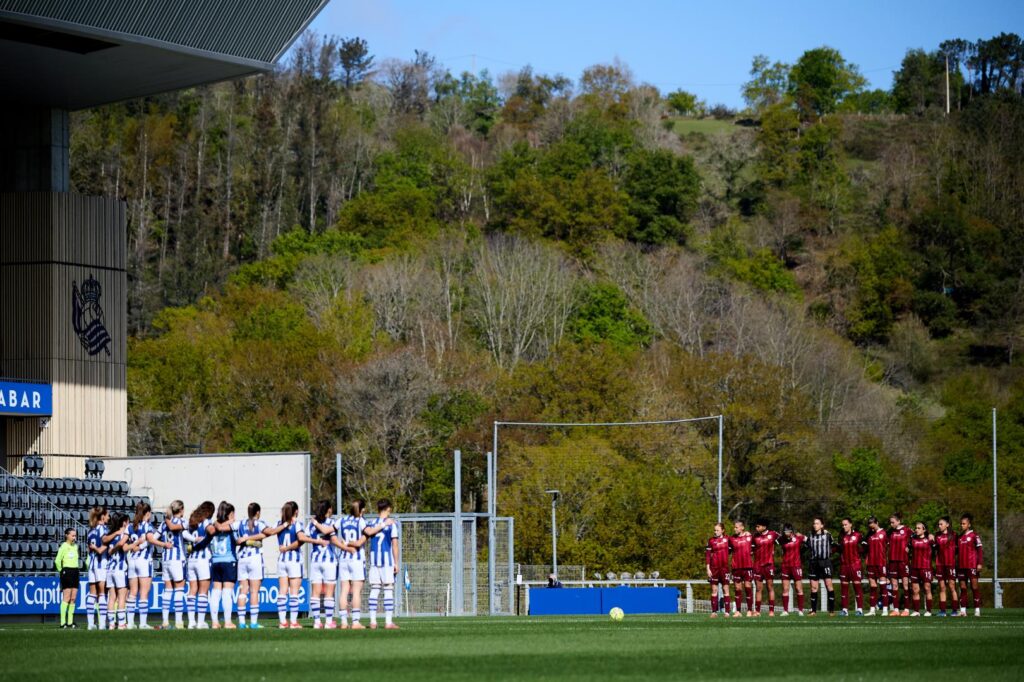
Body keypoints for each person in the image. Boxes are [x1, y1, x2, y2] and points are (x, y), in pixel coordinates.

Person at [125, 502, 171, 629]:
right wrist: (164, 544)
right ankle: (143, 623)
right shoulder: (147, 525)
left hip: (132, 561)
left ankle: (130, 623)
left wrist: (135, 547)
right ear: (148, 513)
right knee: (144, 593)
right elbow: (150, 539)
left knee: (133, 593)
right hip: (144, 561)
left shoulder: (131, 526)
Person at [266, 501, 312, 629]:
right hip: (294, 560)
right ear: (296, 511)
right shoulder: (297, 524)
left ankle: (282, 622)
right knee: (294, 593)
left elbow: (272, 531)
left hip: (282, 561)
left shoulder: (279, 524)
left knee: (282, 592)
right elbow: (301, 540)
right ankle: (293, 622)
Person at [364, 498, 400, 629]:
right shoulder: (391, 524)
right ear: (388, 509)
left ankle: (373, 621)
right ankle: (388, 622)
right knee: (388, 589)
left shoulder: (371, 523)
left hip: (374, 561)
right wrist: (396, 563)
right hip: (387, 561)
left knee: (374, 589)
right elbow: (395, 545)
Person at [307, 500, 342, 629]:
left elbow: (305, 537)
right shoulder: (330, 523)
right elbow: (332, 538)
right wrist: (344, 546)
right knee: (329, 592)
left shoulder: (311, 524)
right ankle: (328, 621)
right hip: (329, 561)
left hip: (315, 560)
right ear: (328, 509)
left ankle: (316, 622)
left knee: (315, 593)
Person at [336, 499, 369, 629]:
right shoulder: (361, 521)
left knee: (344, 591)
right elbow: (365, 537)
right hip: (356, 558)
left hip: (343, 558)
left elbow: (330, 532)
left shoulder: (341, 520)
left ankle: (344, 622)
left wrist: (343, 543)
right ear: (361, 510)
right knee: (356, 592)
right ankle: (355, 622)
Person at [235, 503, 268, 629]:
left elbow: (233, 534)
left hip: (242, 559)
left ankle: (242, 623)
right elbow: (266, 533)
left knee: (243, 590)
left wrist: (243, 539)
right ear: (258, 512)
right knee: (254, 591)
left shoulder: (240, 523)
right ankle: (253, 623)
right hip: (254, 559)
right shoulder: (260, 523)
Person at [208, 501, 239, 629]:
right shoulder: (232, 526)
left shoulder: (212, 526)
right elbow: (237, 540)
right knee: (227, 592)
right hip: (228, 561)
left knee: (215, 592)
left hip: (215, 561)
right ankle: (227, 622)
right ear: (230, 514)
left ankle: (214, 622)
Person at [184, 500, 215, 629]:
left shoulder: (192, 522)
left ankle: (191, 622)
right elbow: (212, 530)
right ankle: (201, 622)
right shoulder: (206, 521)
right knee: (203, 591)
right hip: (203, 559)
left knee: (192, 591)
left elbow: (184, 533)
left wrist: (194, 540)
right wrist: (207, 539)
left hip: (191, 559)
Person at [158, 500, 187, 629]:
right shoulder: (182, 521)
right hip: (177, 560)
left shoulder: (163, 523)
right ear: (181, 510)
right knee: (179, 590)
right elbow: (175, 528)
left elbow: (152, 537)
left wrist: (163, 544)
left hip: (165, 560)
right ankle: (179, 622)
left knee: (168, 590)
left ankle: (165, 621)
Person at [86, 506, 110, 630]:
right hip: (101, 564)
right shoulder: (103, 529)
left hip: (91, 565)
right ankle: (102, 624)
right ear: (102, 516)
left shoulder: (91, 530)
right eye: (107, 515)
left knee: (92, 594)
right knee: (102, 594)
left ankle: (90, 624)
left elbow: (88, 549)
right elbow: (101, 549)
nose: (109, 517)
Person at [105, 513, 130, 629]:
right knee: (121, 597)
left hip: (110, 569)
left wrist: (112, 551)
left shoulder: (111, 535)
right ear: (124, 522)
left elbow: (109, 551)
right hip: (120, 569)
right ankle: (121, 623)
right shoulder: (124, 534)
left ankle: (110, 624)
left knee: (111, 597)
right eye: (128, 521)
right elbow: (124, 547)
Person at [806, 517, 836, 616]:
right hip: (814, 563)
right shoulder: (810, 536)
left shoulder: (827, 535)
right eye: (814, 523)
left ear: (822, 525)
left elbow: (834, 546)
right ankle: (813, 610)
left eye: (817, 523)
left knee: (829, 585)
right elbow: (806, 547)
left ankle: (831, 610)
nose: (815, 525)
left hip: (825, 562)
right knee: (814, 588)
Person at [956, 513, 983, 617]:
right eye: (961, 523)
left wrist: (979, 563)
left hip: (972, 565)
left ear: (969, 525)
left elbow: (980, 550)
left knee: (974, 587)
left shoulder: (974, 536)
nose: (962, 525)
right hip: (961, 566)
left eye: (964, 523)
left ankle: (977, 610)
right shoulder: (960, 537)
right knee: (962, 588)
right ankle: (963, 610)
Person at [838, 518, 865, 616]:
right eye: (843, 525)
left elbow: (864, 548)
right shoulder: (841, 536)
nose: (844, 526)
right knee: (844, 587)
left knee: (857, 586)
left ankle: (860, 609)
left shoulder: (858, 535)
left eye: (845, 524)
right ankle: (845, 610)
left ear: (850, 525)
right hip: (844, 565)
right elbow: (839, 550)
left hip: (855, 565)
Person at [887, 513, 912, 617]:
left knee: (905, 585)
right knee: (894, 586)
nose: (891, 524)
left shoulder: (907, 530)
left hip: (903, 561)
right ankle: (896, 609)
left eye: (893, 522)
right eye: (890, 522)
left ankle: (906, 609)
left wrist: (909, 547)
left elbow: (916, 537)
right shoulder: (890, 532)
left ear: (898, 521)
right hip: (893, 561)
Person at [752, 521, 780, 616]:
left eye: (758, 526)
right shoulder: (754, 536)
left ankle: (771, 611)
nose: (756, 528)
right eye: (756, 526)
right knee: (758, 588)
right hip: (757, 566)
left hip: (769, 565)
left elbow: (785, 538)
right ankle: (757, 611)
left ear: (764, 526)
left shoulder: (773, 534)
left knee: (770, 587)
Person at [727, 520, 754, 617]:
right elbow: (728, 551)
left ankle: (750, 610)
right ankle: (738, 611)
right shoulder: (731, 539)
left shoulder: (749, 537)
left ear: (742, 528)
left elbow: (756, 548)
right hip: (736, 567)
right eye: (734, 527)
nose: (734, 529)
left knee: (748, 587)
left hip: (747, 567)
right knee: (737, 589)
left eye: (736, 527)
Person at [934, 516, 959, 617]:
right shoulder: (937, 536)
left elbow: (958, 550)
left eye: (941, 524)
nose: (939, 526)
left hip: (950, 564)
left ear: (947, 525)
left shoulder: (954, 535)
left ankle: (954, 611)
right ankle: (943, 611)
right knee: (942, 587)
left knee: (952, 587)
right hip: (940, 564)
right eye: (939, 524)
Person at [55, 528, 80, 629]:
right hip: (67, 572)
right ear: (67, 536)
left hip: (75, 572)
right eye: (72, 535)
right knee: (66, 597)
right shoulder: (63, 546)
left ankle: (70, 622)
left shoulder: (75, 546)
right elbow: (57, 561)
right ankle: (62, 622)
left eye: (75, 535)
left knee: (73, 598)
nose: (74, 537)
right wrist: (62, 571)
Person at [908, 521, 935, 617]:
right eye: (916, 528)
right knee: (915, 590)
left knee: (927, 589)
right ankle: (916, 611)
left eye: (919, 528)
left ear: (924, 530)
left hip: (926, 567)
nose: (916, 529)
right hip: (914, 568)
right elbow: (907, 549)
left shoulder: (929, 539)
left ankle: (928, 611)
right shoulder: (912, 540)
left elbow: (937, 549)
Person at [778, 524, 806, 616]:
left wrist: (801, 552)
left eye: (788, 532)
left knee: (798, 588)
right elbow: (773, 541)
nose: (786, 534)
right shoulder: (781, 539)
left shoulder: (798, 537)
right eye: (785, 532)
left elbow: (809, 540)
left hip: (796, 566)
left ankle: (800, 610)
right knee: (785, 589)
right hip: (785, 567)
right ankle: (785, 611)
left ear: (791, 531)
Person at [705, 522, 731, 618]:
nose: (715, 532)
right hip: (714, 568)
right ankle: (714, 612)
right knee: (714, 589)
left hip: (724, 568)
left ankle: (727, 612)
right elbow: (707, 555)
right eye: (714, 530)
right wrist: (708, 569)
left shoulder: (728, 539)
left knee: (725, 589)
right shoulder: (711, 540)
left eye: (717, 530)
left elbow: (734, 548)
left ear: (723, 530)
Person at [864, 516, 888, 616]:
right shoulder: (869, 535)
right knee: (873, 586)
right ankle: (872, 610)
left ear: (877, 523)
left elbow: (888, 547)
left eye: (873, 526)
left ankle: (885, 610)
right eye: (870, 527)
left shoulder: (884, 533)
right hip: (870, 563)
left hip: (881, 563)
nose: (872, 529)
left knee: (883, 586)